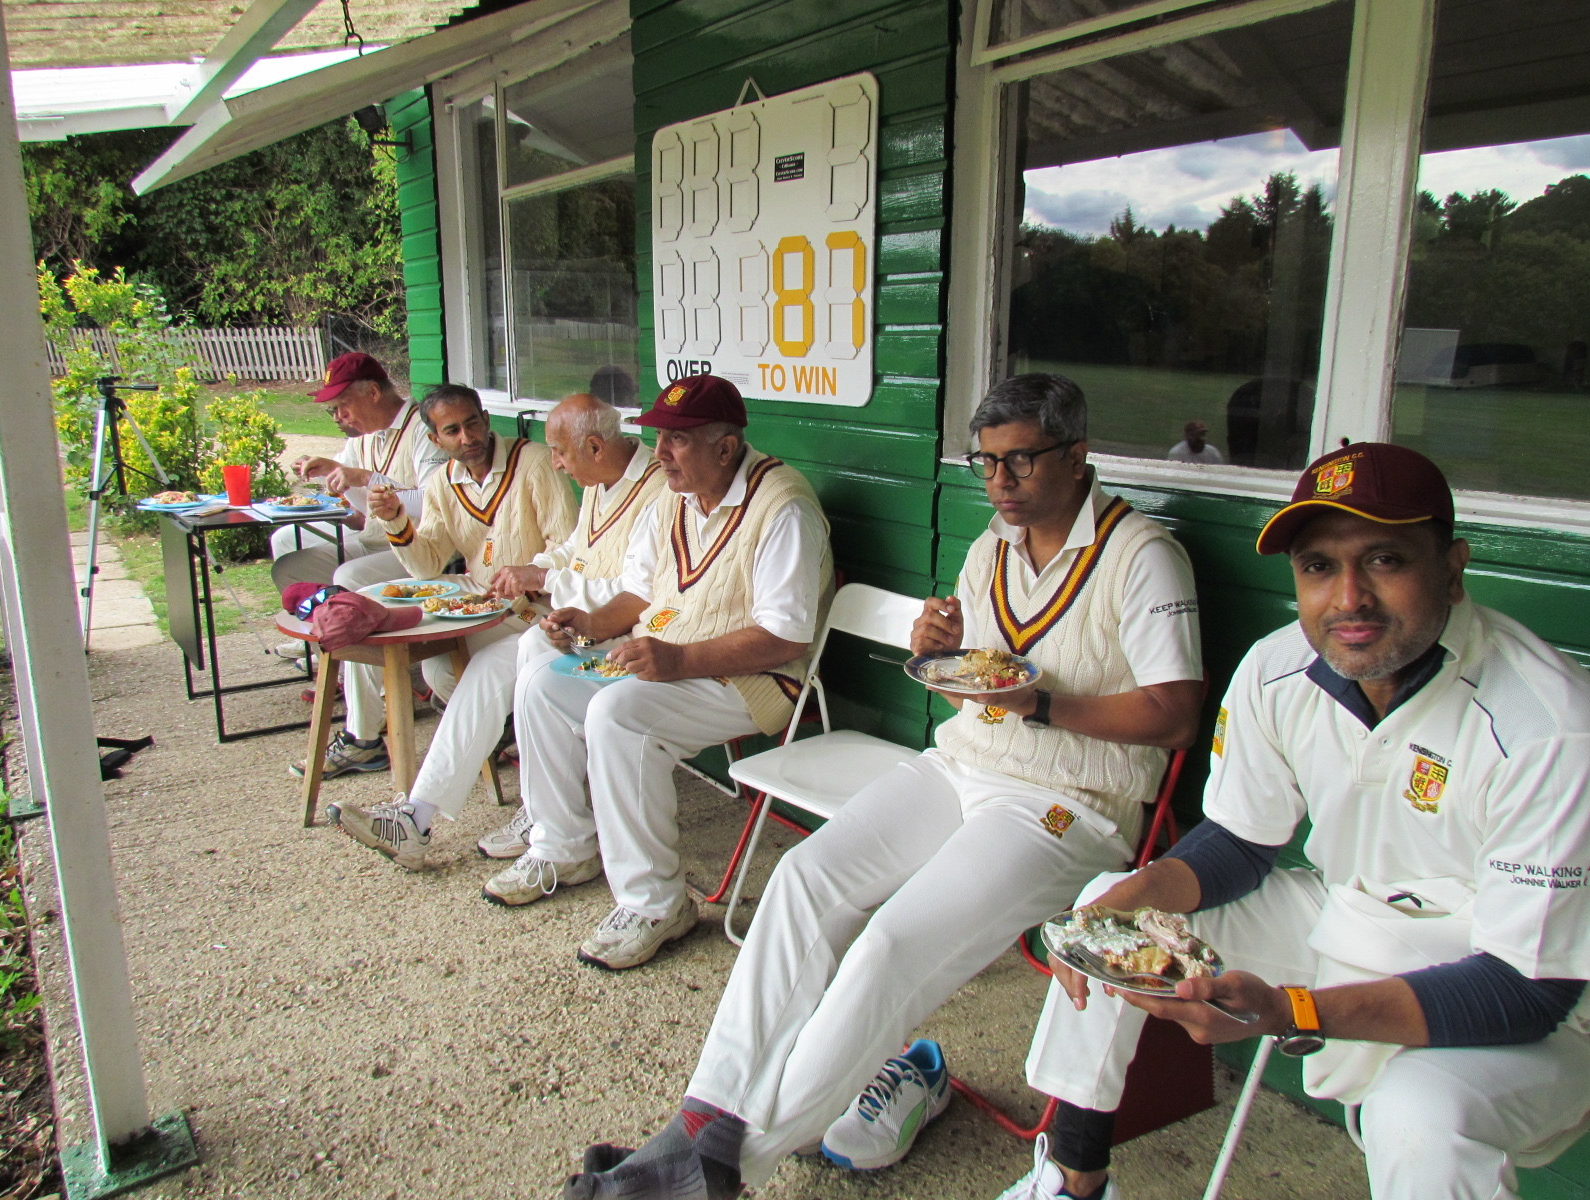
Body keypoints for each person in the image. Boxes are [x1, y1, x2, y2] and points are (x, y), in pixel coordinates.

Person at [560, 372, 1203, 1199]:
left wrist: (1040, 703)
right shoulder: (992, 547)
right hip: (963, 764)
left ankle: (721, 1167)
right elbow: (975, 677)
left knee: (891, 945)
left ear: (1077, 457)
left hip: (1067, 805)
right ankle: (701, 1118)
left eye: (1021, 461)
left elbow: (1175, 716)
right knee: (801, 879)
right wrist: (942, 646)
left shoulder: (1143, 556)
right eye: (986, 463)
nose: (1000, 482)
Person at [997, 442, 1590, 1200]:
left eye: (1384, 560)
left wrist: (1292, 1011)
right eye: (1318, 566)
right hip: (1348, 913)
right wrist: (1133, 896)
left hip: (1522, 992)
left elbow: (1528, 988)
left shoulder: (1546, 724)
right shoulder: (1278, 669)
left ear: (1451, 568)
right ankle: (1073, 1178)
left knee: (1418, 1115)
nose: (1349, 598)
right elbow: (1241, 841)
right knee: (1106, 913)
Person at [497, 374, 832, 972]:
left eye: (676, 440)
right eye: (658, 438)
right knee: (543, 684)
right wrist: (590, 624)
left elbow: (786, 638)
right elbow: (639, 592)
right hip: (671, 659)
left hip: (753, 678)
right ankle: (565, 845)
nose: (659, 454)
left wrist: (678, 660)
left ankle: (655, 904)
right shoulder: (675, 499)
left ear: (725, 448)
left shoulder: (783, 507)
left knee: (618, 715)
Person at [324, 392, 666, 869]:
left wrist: (543, 578)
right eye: (451, 430)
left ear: (594, 447)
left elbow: (636, 592)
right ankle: (418, 817)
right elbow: (574, 548)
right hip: (569, 622)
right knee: (482, 668)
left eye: (560, 452)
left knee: (520, 658)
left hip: (621, 635)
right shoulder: (598, 479)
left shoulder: (657, 490)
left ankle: (547, 817)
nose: (557, 464)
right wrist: (532, 568)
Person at [304, 385, 575, 787]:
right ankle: (374, 736)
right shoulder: (443, 482)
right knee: (410, 646)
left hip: (540, 601)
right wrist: (396, 520)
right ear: (435, 439)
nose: (467, 438)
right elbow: (427, 565)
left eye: (472, 424)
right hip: (480, 589)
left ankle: (510, 727)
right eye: (452, 431)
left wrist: (528, 577)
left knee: (449, 666)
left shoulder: (533, 462)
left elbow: (567, 545)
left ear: (486, 420)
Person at [270, 351, 447, 595]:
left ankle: (353, 615)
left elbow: (434, 503)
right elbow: (361, 505)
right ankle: (325, 617)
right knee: (288, 563)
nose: (339, 417)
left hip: (421, 547)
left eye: (343, 405)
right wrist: (328, 471)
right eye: (333, 409)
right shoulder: (364, 434)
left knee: (348, 575)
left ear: (373, 392)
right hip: (375, 539)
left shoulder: (422, 427)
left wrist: (367, 478)